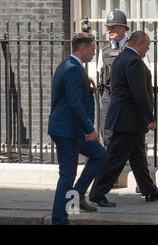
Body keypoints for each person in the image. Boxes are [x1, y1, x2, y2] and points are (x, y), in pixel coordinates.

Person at [89, 31, 158, 207]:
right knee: (115, 159)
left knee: (138, 157)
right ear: (140, 43)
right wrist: (150, 117)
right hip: (128, 120)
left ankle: (149, 191)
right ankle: (97, 193)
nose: (147, 50)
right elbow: (139, 93)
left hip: (128, 119)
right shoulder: (133, 62)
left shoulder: (121, 58)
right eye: (147, 46)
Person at [48, 32, 107, 225]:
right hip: (68, 131)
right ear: (82, 48)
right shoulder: (72, 68)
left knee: (100, 155)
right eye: (92, 48)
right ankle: (59, 220)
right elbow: (75, 104)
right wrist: (90, 129)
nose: (93, 52)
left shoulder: (70, 66)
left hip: (73, 130)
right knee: (67, 175)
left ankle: (79, 194)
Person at [98, 9, 151, 148]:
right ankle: (110, 161)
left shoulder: (135, 47)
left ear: (123, 28)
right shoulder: (104, 49)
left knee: (132, 135)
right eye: (108, 27)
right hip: (108, 96)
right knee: (108, 134)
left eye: (113, 26)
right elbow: (100, 71)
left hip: (127, 98)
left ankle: (117, 163)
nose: (110, 30)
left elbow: (145, 74)